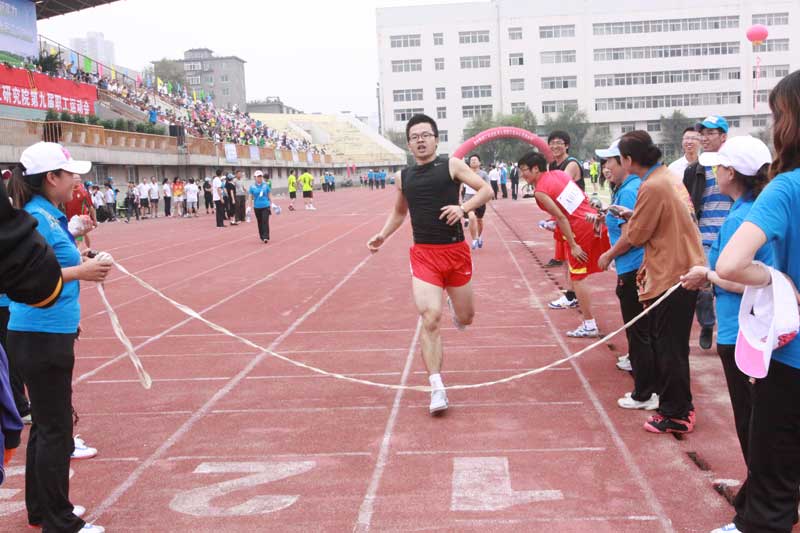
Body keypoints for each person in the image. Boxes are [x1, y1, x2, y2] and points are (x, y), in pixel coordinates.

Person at [6, 141, 109, 532]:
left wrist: (81, 256)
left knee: (47, 425)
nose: (75, 182)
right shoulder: (34, 218)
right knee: (55, 428)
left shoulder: (48, 216)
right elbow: (27, 275)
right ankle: (58, 520)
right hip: (41, 333)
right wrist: (82, 272)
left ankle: (41, 508)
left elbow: (50, 261)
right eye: (69, 175)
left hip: (47, 331)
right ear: (51, 178)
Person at [714, 70, 800, 533]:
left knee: (774, 474)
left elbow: (731, 264)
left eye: (776, 115)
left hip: (790, 358)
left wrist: (776, 278)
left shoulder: (786, 188)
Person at [367, 114, 492, 415]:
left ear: (436, 139)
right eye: (414, 137)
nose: (420, 140)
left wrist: (462, 207)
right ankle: (436, 386)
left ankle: (456, 308)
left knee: (466, 317)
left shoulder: (452, 165)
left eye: (425, 135)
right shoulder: (403, 177)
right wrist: (382, 235)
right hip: (424, 254)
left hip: (456, 252)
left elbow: (486, 190)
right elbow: (400, 213)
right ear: (409, 144)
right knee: (430, 317)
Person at [679, 136, 774, 532]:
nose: (714, 172)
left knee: (752, 424)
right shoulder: (750, 208)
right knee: (759, 421)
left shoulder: (743, 218)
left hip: (743, 331)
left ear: (731, 173)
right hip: (751, 327)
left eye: (718, 166)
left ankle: (759, 508)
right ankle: (768, 498)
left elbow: (746, 279)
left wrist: (709, 275)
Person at [612, 131, 705, 434]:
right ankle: (677, 405)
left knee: (669, 347)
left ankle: (677, 413)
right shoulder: (666, 177)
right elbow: (658, 220)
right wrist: (635, 214)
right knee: (672, 345)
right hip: (684, 268)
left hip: (672, 275)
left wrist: (628, 224)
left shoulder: (651, 185)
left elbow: (637, 235)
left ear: (628, 159)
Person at [518, 151, 609, 338]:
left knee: (578, 277)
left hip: (579, 229)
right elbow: (572, 203)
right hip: (592, 220)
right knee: (582, 270)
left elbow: (561, 217)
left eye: (524, 170)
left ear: (535, 169)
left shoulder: (540, 191)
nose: (522, 174)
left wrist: (574, 244)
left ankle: (589, 324)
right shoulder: (560, 174)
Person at [594, 141, 656, 410]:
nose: (605, 167)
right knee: (641, 332)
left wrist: (609, 254)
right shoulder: (625, 189)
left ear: (626, 162)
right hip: (632, 268)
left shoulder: (630, 190)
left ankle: (645, 392)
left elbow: (632, 235)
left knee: (639, 332)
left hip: (634, 269)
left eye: (610, 161)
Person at [684, 115, 732, 350]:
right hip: (703, 238)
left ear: (723, 136)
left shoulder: (735, 166)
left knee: (729, 286)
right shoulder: (694, 170)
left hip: (731, 237)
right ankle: (707, 323)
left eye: (710, 133)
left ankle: (729, 335)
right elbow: (688, 203)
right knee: (703, 288)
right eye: (702, 134)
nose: (705, 138)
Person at [463, 154, 489, 249]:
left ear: (479, 162)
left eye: (475, 160)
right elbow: (461, 185)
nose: (473, 161)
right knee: (471, 217)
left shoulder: (484, 174)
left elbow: (488, 187)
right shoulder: (465, 173)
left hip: (480, 199)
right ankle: (474, 239)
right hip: (468, 199)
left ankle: (479, 236)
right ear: (469, 163)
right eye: (472, 160)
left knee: (479, 220)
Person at [249, 170, 271, 243]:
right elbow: (250, 197)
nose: (259, 178)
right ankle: (262, 236)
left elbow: (269, 194)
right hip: (257, 207)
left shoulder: (266, 185)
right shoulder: (252, 187)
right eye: (258, 176)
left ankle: (266, 237)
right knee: (260, 222)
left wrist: (272, 203)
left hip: (265, 206)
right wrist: (249, 206)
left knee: (265, 221)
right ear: (255, 177)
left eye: (261, 176)